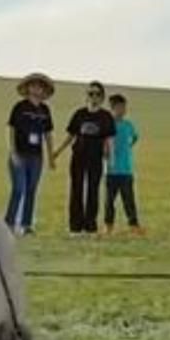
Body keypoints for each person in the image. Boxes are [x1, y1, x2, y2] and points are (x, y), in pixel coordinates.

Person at [51, 80, 115, 235]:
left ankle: (90, 226)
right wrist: (57, 152)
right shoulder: (79, 114)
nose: (94, 97)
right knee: (76, 189)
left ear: (102, 97)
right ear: (86, 96)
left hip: (96, 158)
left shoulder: (105, 117)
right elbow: (71, 135)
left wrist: (110, 159)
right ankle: (75, 226)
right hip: (78, 156)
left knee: (93, 191)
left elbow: (109, 140)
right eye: (90, 93)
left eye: (97, 94)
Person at [4, 74, 54, 236]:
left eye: (40, 86)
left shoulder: (45, 110)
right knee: (19, 188)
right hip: (20, 154)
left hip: (36, 157)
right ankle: (9, 223)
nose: (36, 89)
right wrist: (12, 152)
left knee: (32, 190)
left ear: (44, 90)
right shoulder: (20, 107)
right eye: (33, 85)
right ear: (28, 88)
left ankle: (26, 225)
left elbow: (48, 133)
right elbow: (11, 129)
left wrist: (51, 155)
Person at [103, 92, 141, 234]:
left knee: (129, 200)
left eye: (124, 107)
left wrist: (127, 148)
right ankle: (108, 225)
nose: (123, 110)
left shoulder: (128, 125)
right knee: (109, 201)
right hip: (112, 170)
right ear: (113, 108)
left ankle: (134, 225)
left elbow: (135, 138)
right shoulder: (108, 125)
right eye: (120, 107)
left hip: (126, 169)